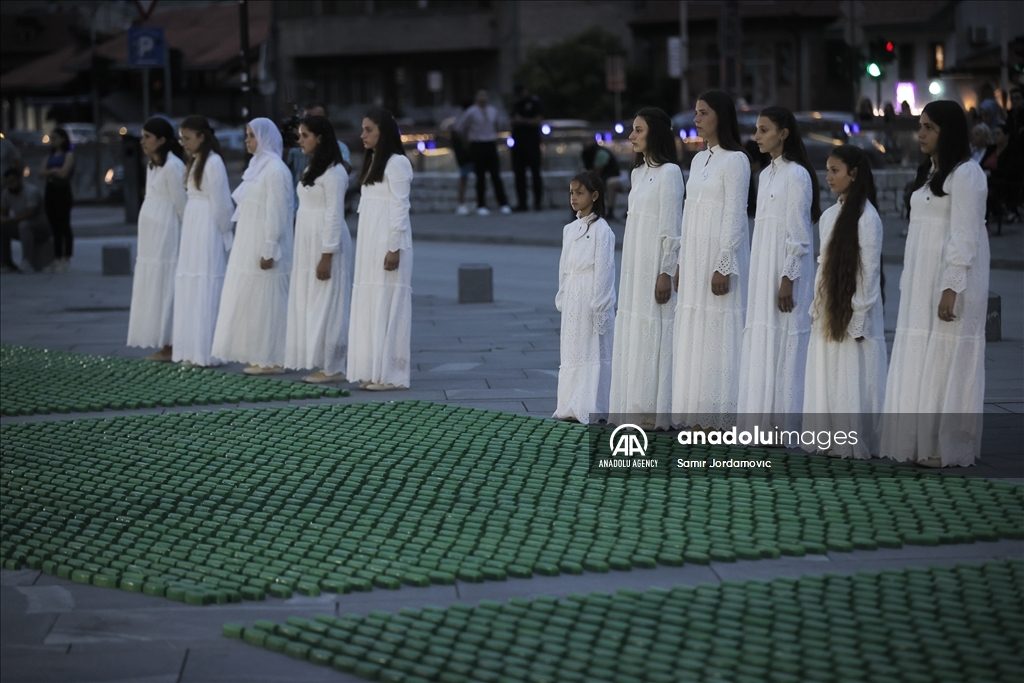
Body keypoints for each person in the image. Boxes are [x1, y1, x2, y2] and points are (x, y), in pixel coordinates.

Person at [882, 101, 990, 467]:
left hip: (949, 282)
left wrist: (952, 286)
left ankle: (948, 446)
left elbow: (965, 236)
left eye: (928, 127)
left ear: (948, 131)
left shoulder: (967, 174)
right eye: (921, 126)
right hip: (922, 281)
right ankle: (920, 441)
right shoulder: (930, 172)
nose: (921, 133)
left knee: (947, 358)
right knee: (922, 355)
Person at [671, 91, 751, 430]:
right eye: (696, 112)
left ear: (720, 116)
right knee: (696, 332)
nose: (697, 119)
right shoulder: (698, 160)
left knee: (720, 332)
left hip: (718, 258)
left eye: (703, 113)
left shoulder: (736, 160)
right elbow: (688, 213)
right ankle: (697, 411)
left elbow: (735, 214)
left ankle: (722, 413)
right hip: (694, 257)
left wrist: (724, 263)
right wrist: (680, 262)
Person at [737, 106, 819, 431]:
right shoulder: (766, 173)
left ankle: (785, 423)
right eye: (757, 129)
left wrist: (788, 278)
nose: (756, 136)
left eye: (764, 130)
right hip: (764, 267)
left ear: (783, 134)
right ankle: (764, 419)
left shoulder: (797, 175)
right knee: (764, 338)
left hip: (786, 271)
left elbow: (798, 235)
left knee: (786, 341)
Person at [802, 145, 887, 459]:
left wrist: (859, 315)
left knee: (854, 372)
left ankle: (852, 438)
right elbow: (823, 266)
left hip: (854, 310)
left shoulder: (867, 218)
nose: (828, 177)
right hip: (830, 308)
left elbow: (869, 271)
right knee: (830, 369)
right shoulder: (829, 216)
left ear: (854, 174)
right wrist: (818, 305)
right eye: (827, 170)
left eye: (835, 170)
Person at [607, 107, 682, 429]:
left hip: (655, 265)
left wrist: (665, 272)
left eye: (638, 130)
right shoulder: (637, 173)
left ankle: (654, 409)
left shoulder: (670, 173)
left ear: (655, 133)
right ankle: (634, 405)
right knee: (635, 330)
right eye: (632, 130)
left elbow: (671, 229)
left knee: (655, 331)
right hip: (635, 264)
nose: (632, 136)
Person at [212, 118, 294, 375]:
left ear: (265, 138)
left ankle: (274, 358)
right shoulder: (257, 167)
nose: (247, 140)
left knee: (270, 300)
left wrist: (269, 247)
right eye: (246, 135)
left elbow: (277, 212)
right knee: (255, 301)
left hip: (266, 244)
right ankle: (262, 354)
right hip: (249, 241)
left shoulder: (276, 170)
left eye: (252, 135)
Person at [347, 108, 414, 390]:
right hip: (370, 242)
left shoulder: (397, 163)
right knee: (372, 302)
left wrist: (394, 247)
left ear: (383, 133)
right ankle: (373, 370)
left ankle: (391, 374)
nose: (363, 135)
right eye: (362, 129)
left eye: (369, 130)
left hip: (388, 242)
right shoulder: (374, 161)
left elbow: (400, 206)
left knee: (389, 303)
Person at [284, 115, 354, 383]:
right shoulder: (312, 167)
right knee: (312, 300)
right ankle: (322, 360)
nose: (300, 140)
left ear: (320, 138)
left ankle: (334, 365)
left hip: (326, 242)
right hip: (307, 240)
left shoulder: (335, 172)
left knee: (329, 302)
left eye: (305, 135)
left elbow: (335, 215)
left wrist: (327, 255)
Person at [553, 170, 616, 424]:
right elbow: (564, 266)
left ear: (595, 195)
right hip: (573, 295)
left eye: (579, 193)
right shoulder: (569, 229)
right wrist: (562, 295)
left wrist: (600, 306)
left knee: (591, 349)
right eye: (571, 193)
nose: (574, 197)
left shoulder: (602, 230)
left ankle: (592, 405)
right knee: (572, 348)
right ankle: (570, 403)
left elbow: (605, 270)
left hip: (590, 295)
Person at [172, 116, 234, 368]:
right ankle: (192, 349)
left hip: (207, 224)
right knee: (191, 282)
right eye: (182, 138)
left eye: (187, 138)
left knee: (206, 281)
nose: (184, 143)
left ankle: (207, 350)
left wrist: (225, 232)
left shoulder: (213, 162)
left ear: (202, 137)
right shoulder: (196, 160)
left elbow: (222, 202)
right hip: (194, 224)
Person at [126, 118, 187, 361]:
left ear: (162, 140)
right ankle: (163, 341)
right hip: (151, 239)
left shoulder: (173, 166)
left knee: (166, 285)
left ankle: (171, 343)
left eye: (147, 137)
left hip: (167, 235)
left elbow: (181, 204)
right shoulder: (153, 165)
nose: (142, 142)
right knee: (154, 286)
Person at [454, 89, 511, 216]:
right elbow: (459, 128)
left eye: (485, 95)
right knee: (480, 176)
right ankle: (481, 204)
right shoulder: (471, 112)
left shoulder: (493, 111)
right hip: (477, 144)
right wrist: (467, 142)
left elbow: (498, 125)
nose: (483, 98)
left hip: (490, 143)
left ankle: (503, 203)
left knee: (495, 174)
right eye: (480, 95)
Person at [38, 127, 74, 272]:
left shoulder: (68, 154)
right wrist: (53, 171)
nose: (53, 141)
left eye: (55, 138)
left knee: (64, 223)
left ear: (63, 139)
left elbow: (64, 173)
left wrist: (52, 172)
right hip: (50, 191)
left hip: (62, 191)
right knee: (54, 226)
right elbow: (40, 173)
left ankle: (66, 257)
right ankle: (57, 257)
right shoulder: (50, 156)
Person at [1, 166, 47, 273]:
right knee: (2, 226)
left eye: (12, 182)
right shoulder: (6, 193)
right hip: (20, 224)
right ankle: (5, 262)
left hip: (40, 227)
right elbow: (3, 212)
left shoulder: (31, 191)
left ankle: (27, 262)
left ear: (19, 180)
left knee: (24, 225)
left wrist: (9, 220)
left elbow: (30, 214)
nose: (10, 185)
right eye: (7, 183)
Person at [510, 83, 544, 212]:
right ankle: (522, 203)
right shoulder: (516, 104)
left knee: (535, 173)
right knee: (519, 174)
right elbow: (513, 119)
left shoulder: (534, 102)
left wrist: (522, 120)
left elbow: (538, 120)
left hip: (532, 143)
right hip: (518, 144)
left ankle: (538, 203)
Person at [581, 141, 626, 220]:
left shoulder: (600, 153)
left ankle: (605, 211)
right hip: (606, 177)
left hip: (611, 176)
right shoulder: (595, 153)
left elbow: (597, 171)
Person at [451, 99, 474, 216]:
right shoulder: (466, 118)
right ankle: (461, 203)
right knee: (464, 176)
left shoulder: (460, 118)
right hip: (466, 152)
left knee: (465, 176)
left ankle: (465, 202)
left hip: (466, 152)